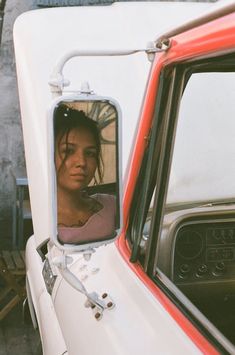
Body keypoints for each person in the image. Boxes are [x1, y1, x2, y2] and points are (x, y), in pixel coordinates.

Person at [54, 103, 116, 244]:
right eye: (68, 151)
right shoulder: (44, 221)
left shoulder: (111, 206)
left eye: (90, 153)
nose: (81, 162)